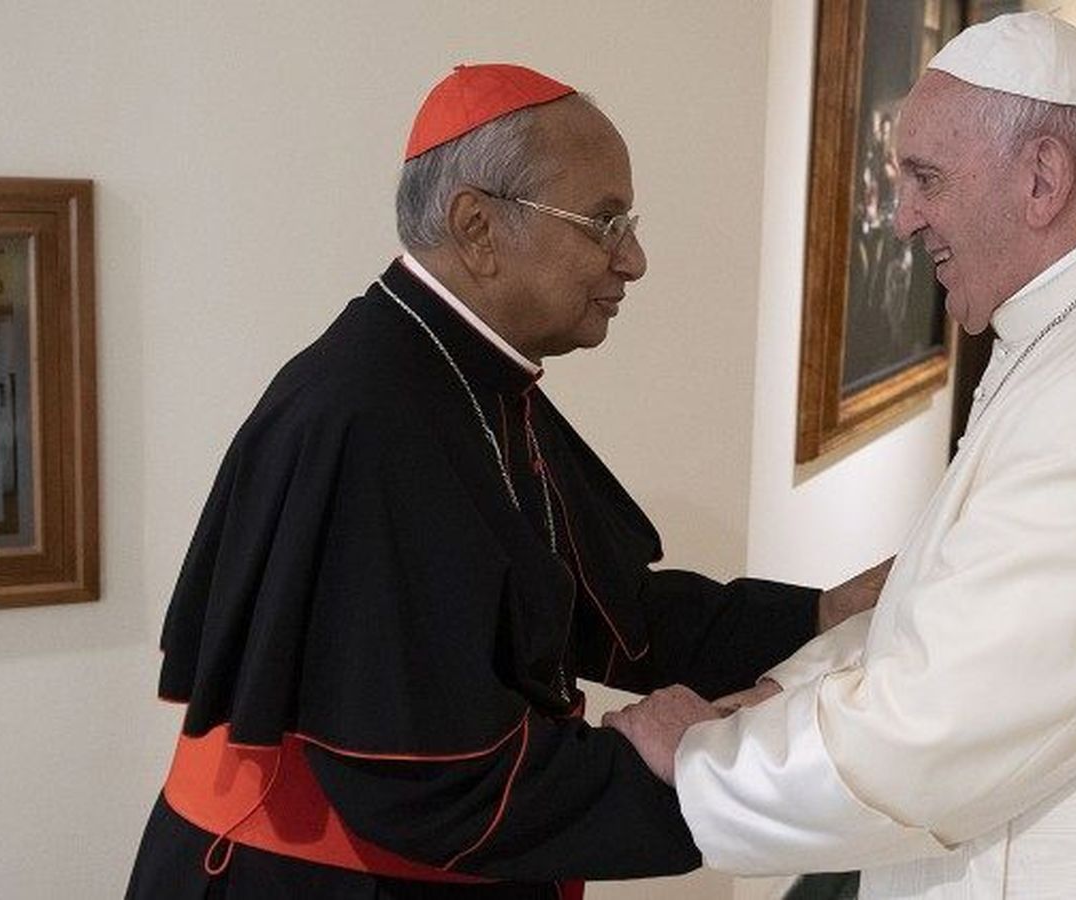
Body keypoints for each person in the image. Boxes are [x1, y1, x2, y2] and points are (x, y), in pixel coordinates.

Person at [125, 63, 886, 900]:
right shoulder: (365, 418)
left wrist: (821, 616)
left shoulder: (465, 373)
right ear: (478, 227)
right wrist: (682, 767)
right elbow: (429, 776)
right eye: (603, 222)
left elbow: (612, 614)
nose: (632, 258)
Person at [607, 12, 1076, 898]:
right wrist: (778, 697)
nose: (903, 219)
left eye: (926, 179)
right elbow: (959, 611)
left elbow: (945, 724)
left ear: (1043, 178)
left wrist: (709, 756)